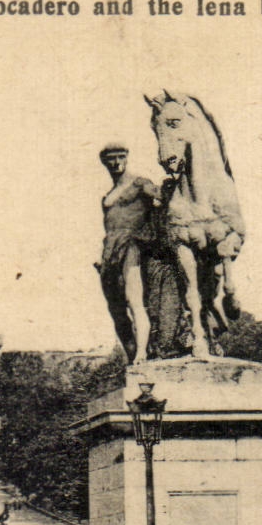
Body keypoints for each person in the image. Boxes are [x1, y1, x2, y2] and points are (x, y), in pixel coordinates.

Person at [94, 143, 163, 365]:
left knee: (134, 300)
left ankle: (142, 353)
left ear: (127, 158)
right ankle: (133, 356)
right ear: (104, 162)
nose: (115, 163)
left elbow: (162, 202)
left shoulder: (140, 183)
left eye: (120, 157)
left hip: (132, 246)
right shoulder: (108, 194)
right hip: (109, 251)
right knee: (116, 310)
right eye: (110, 159)